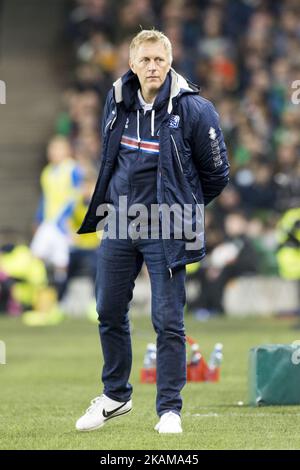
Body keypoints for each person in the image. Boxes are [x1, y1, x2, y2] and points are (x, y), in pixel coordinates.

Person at [75, 29, 229, 434]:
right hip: (120, 219)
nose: (152, 66)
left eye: (159, 59)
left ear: (170, 61)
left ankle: (169, 410)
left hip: (169, 226)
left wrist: (184, 208)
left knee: (168, 319)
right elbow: (109, 156)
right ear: (132, 64)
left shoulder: (195, 109)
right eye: (144, 59)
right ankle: (115, 396)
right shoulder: (116, 98)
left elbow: (217, 173)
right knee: (107, 309)